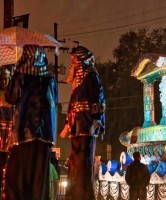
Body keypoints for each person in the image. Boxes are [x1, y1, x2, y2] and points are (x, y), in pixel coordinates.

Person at [4, 45, 58, 199]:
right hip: (45, 137)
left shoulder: (21, 75)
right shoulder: (51, 79)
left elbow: (10, 97)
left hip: (23, 134)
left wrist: (15, 73)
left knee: (16, 176)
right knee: (38, 179)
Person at [60, 45, 105, 200]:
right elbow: (72, 105)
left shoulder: (91, 76)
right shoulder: (77, 85)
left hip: (87, 124)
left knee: (83, 163)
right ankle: (73, 194)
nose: (72, 62)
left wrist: (96, 119)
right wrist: (67, 124)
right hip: (76, 125)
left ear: (80, 60)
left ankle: (83, 195)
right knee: (74, 161)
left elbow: (98, 99)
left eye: (74, 59)